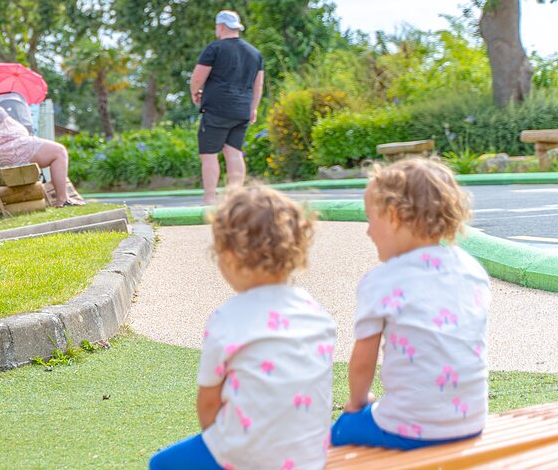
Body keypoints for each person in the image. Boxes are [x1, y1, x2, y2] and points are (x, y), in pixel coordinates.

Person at [149, 185, 336, 470]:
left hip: (245, 456)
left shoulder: (227, 318)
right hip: (310, 456)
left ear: (230, 257)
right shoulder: (317, 313)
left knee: (161, 463)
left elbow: (209, 404)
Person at [332, 157, 488, 451]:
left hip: (411, 429)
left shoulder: (381, 281)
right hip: (472, 420)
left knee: (342, 429)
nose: (367, 231)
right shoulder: (471, 269)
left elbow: (363, 362)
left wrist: (356, 404)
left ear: (392, 216)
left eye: (370, 219)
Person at [0, 71, 83, 207]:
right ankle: (62, 200)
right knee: (59, 152)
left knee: (58, 151)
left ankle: (62, 198)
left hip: (9, 148)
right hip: (7, 151)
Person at [190, 10, 265, 203]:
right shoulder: (255, 53)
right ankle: (236, 197)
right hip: (242, 110)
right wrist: (253, 108)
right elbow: (258, 84)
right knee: (234, 151)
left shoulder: (214, 49)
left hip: (216, 108)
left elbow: (198, 77)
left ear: (221, 26)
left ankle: (209, 197)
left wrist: (195, 92)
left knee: (209, 154)